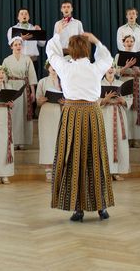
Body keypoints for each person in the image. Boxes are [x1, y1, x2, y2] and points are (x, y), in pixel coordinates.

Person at [47, 26, 113, 222]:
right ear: (87, 50)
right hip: (93, 113)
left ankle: (78, 209)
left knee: (73, 159)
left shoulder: (65, 67)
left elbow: (51, 52)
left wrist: (57, 34)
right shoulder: (95, 67)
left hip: (72, 113)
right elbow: (108, 58)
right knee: (96, 157)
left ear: (71, 50)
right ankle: (101, 207)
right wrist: (97, 41)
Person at [3, 37, 38, 150]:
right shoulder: (7, 60)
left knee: (23, 114)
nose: (18, 46)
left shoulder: (27, 59)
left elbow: (31, 75)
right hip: (11, 87)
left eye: (20, 44)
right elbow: (4, 77)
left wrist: (32, 92)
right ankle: (13, 141)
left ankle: (23, 141)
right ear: (11, 46)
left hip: (23, 88)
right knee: (13, 114)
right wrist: (6, 92)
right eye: (16, 44)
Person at [100, 63, 131, 181]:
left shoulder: (121, 84)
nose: (110, 69)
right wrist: (104, 100)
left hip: (118, 115)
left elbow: (129, 99)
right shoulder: (99, 84)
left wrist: (123, 101)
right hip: (105, 114)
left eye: (112, 67)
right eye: (107, 67)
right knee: (106, 141)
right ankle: (106, 172)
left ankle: (117, 171)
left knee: (119, 141)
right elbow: (94, 100)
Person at [114, 35, 140, 148]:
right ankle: (125, 137)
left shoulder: (138, 56)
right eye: (127, 41)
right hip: (124, 83)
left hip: (136, 83)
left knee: (136, 110)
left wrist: (137, 70)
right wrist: (126, 66)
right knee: (125, 110)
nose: (129, 43)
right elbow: (115, 72)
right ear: (123, 43)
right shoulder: (118, 56)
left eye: (131, 41)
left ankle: (135, 139)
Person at [35, 61, 62, 183]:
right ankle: (48, 171)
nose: (54, 68)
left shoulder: (64, 81)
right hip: (46, 112)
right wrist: (42, 100)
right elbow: (38, 101)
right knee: (47, 140)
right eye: (52, 65)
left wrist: (64, 101)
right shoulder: (42, 82)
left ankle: (60, 170)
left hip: (60, 111)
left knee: (60, 140)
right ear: (48, 67)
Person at [7, 8, 43, 75]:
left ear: (29, 17)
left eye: (26, 14)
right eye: (22, 14)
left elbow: (42, 44)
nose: (24, 15)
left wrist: (39, 32)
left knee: (33, 83)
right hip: (19, 60)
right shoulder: (12, 29)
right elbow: (10, 44)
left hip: (33, 60)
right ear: (18, 17)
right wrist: (21, 39)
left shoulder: (34, 28)